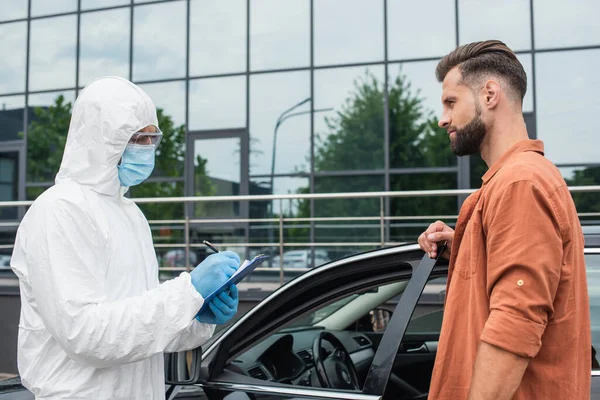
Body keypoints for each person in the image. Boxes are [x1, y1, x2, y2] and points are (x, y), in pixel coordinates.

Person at [10, 76, 241, 399]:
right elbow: (86, 336)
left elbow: (141, 324)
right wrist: (187, 291)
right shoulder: (60, 210)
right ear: (99, 138)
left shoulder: (131, 215)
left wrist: (198, 314)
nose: (147, 149)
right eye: (135, 138)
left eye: (151, 138)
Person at [418, 40, 590, 399]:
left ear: (490, 94)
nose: (443, 118)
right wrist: (467, 246)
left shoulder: (520, 184)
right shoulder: (514, 181)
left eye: (451, 102)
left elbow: (515, 325)